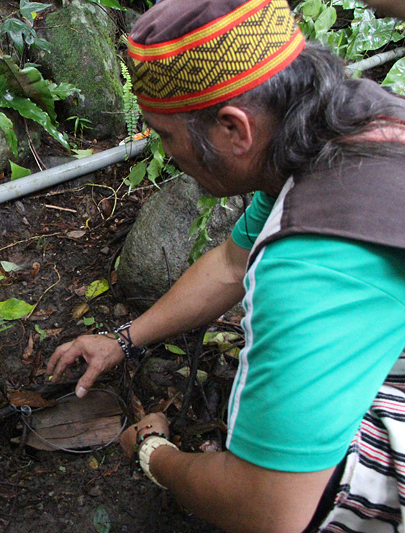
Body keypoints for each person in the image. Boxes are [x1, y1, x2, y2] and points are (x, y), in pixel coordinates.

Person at [46, 0, 405, 531]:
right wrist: (123, 340)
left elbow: (266, 510)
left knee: (319, 491)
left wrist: (154, 452)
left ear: (235, 130)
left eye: (165, 135)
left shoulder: (310, 262)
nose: (167, 153)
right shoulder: (344, 124)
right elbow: (231, 265)